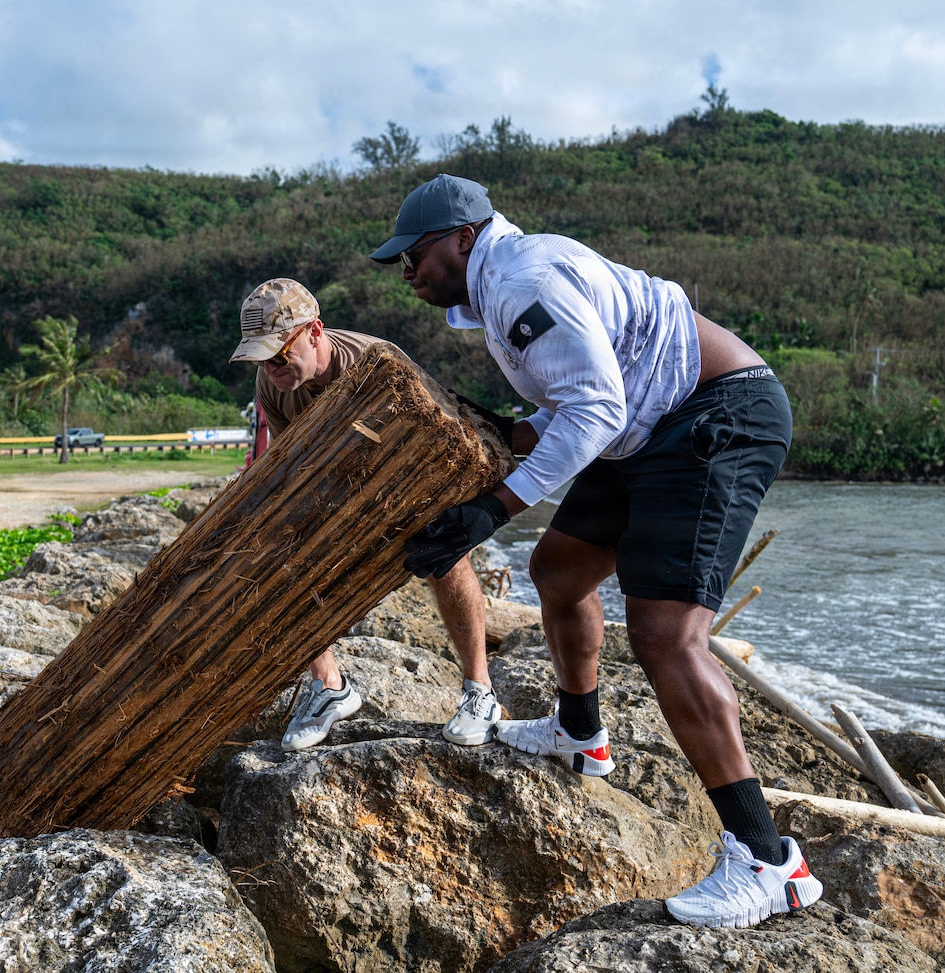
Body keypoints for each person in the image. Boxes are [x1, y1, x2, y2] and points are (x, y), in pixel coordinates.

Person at [370, 175, 823, 929]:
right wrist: (504, 432)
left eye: (413, 256)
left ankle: (770, 861)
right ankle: (581, 732)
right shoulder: (503, 286)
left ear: (463, 237)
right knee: (558, 570)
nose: (406, 273)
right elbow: (579, 397)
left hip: (711, 416)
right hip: (651, 425)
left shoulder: (521, 283)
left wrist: (495, 507)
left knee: (666, 636)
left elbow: (596, 407)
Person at [229, 277, 502, 752]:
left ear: (315, 331)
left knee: (446, 555)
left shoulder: (377, 366)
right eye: (259, 358)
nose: (269, 368)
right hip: (336, 484)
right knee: (282, 559)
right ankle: (330, 686)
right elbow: (289, 463)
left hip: (410, 479)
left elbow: (435, 442)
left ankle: (481, 692)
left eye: (277, 354)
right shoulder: (273, 385)